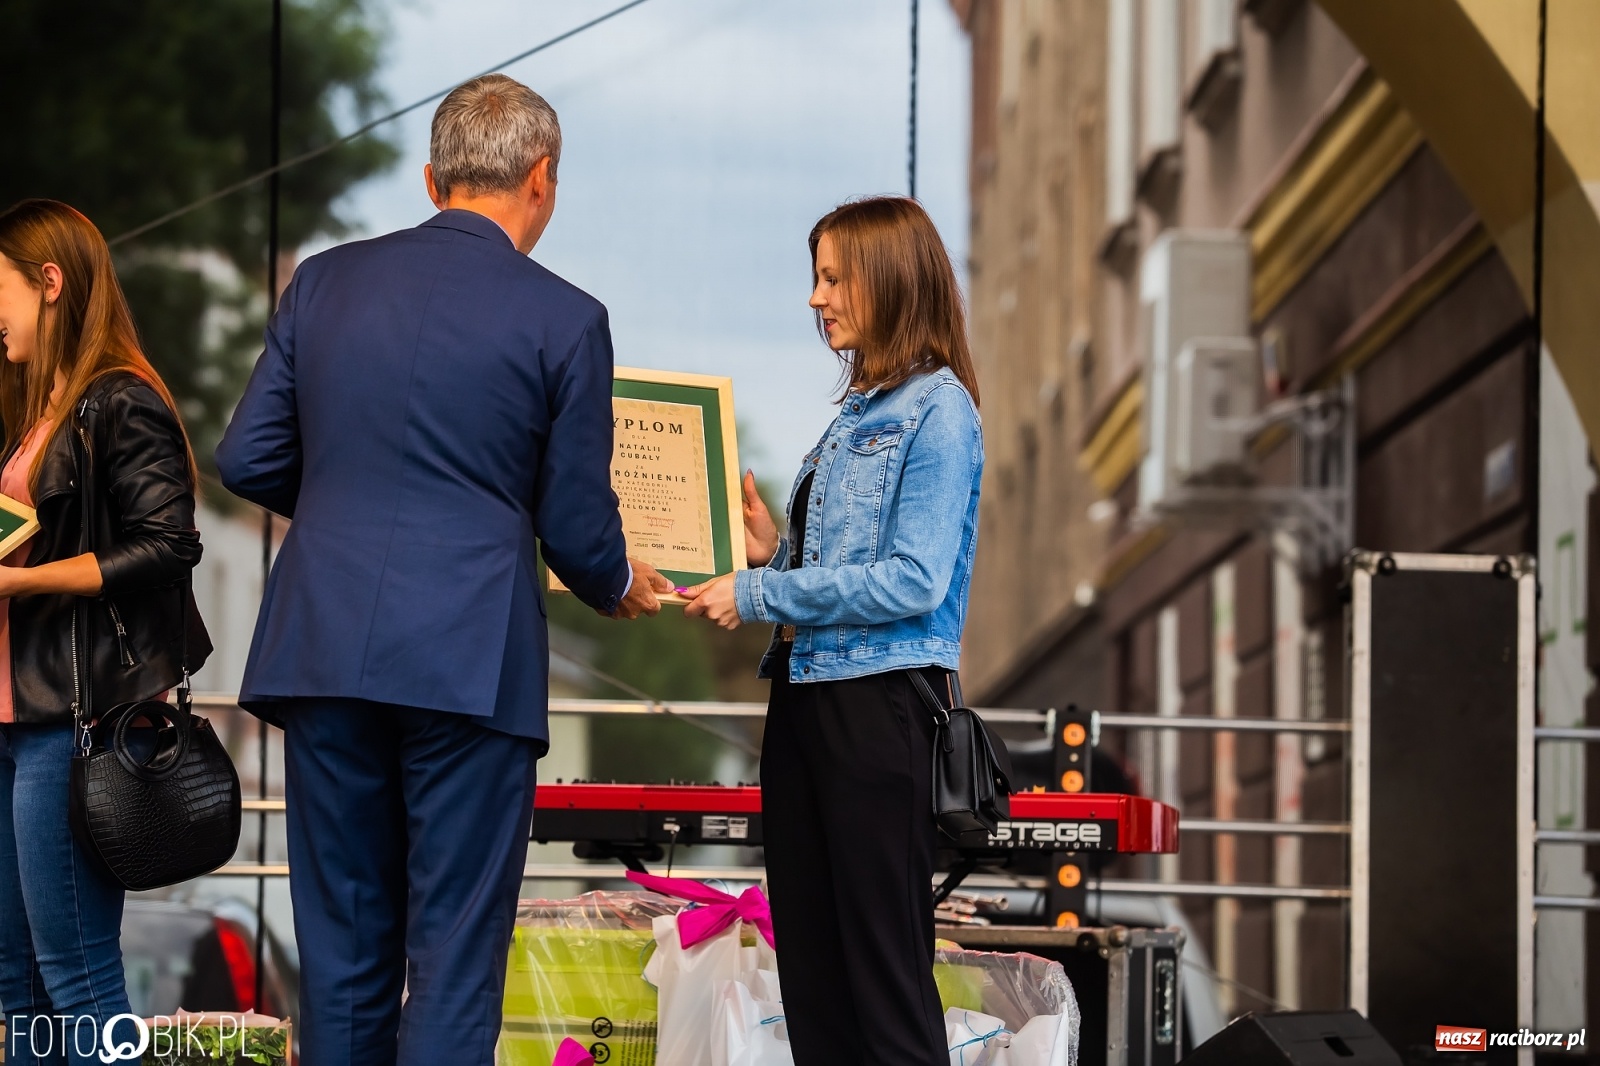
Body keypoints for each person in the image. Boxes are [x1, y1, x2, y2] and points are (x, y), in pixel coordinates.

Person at [215, 75, 671, 1066]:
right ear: (541, 178)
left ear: (433, 180)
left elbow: (245, 458)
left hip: (324, 648)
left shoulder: (323, 283)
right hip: (470, 661)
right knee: (455, 957)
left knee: (341, 954)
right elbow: (577, 526)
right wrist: (617, 580)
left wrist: (343, 499)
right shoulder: (566, 318)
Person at [683, 196, 984, 1065]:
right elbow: (845, 571)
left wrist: (760, 592)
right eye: (815, 279)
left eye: (833, 278)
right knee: (815, 986)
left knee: (884, 989)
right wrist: (772, 555)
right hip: (807, 705)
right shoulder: (855, 410)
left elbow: (914, 580)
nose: (816, 298)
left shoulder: (939, 410)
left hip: (879, 712)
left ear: (888, 279)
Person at [0, 198, 212, 1065]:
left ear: (49, 282)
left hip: (69, 722)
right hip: (17, 720)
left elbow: (170, 543)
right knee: (17, 980)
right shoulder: (37, 412)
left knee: (77, 975)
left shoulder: (117, 401)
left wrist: (22, 580)